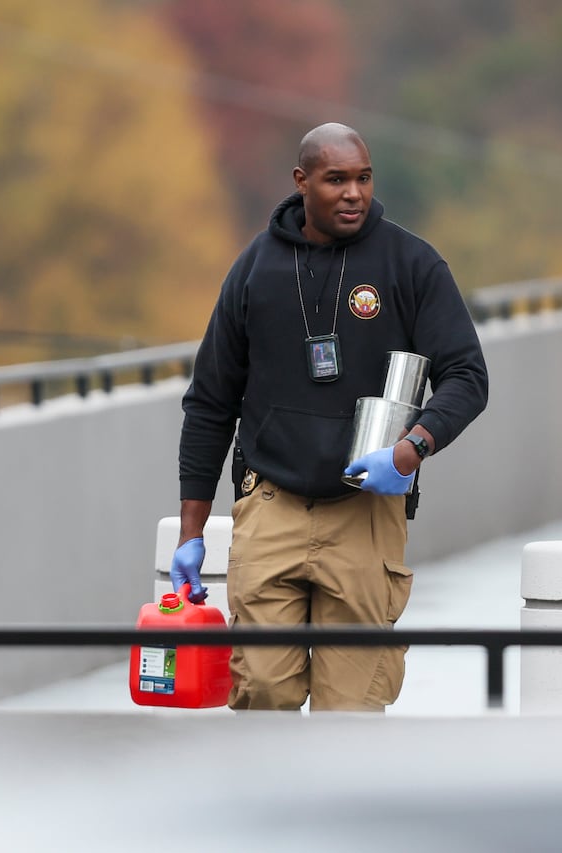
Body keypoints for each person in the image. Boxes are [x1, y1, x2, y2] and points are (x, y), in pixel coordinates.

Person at [172, 123, 489, 712]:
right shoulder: (255, 269)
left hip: (366, 511)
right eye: (336, 179)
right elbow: (211, 401)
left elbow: (467, 376)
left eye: (363, 178)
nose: (353, 193)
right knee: (261, 691)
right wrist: (191, 534)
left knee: (351, 711)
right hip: (272, 504)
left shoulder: (411, 264)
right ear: (302, 181)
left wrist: (411, 450)